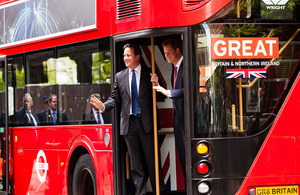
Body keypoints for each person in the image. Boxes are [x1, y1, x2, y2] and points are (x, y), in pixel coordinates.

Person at [91, 44, 166, 195]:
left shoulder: (149, 73)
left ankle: (160, 191)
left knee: (153, 162)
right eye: (124, 55)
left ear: (137, 57)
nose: (125, 58)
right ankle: (140, 193)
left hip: (147, 124)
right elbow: (115, 99)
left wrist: (157, 84)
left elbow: (161, 96)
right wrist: (103, 106)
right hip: (129, 125)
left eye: (128, 55)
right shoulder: (120, 76)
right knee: (135, 164)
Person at [152, 38, 186, 178]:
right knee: (182, 156)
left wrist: (169, 92)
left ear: (177, 50)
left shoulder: (187, 66)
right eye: (165, 53)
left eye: (168, 53)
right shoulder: (176, 67)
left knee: (186, 156)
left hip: (185, 119)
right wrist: (159, 85)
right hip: (178, 118)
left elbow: (190, 90)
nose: (166, 56)